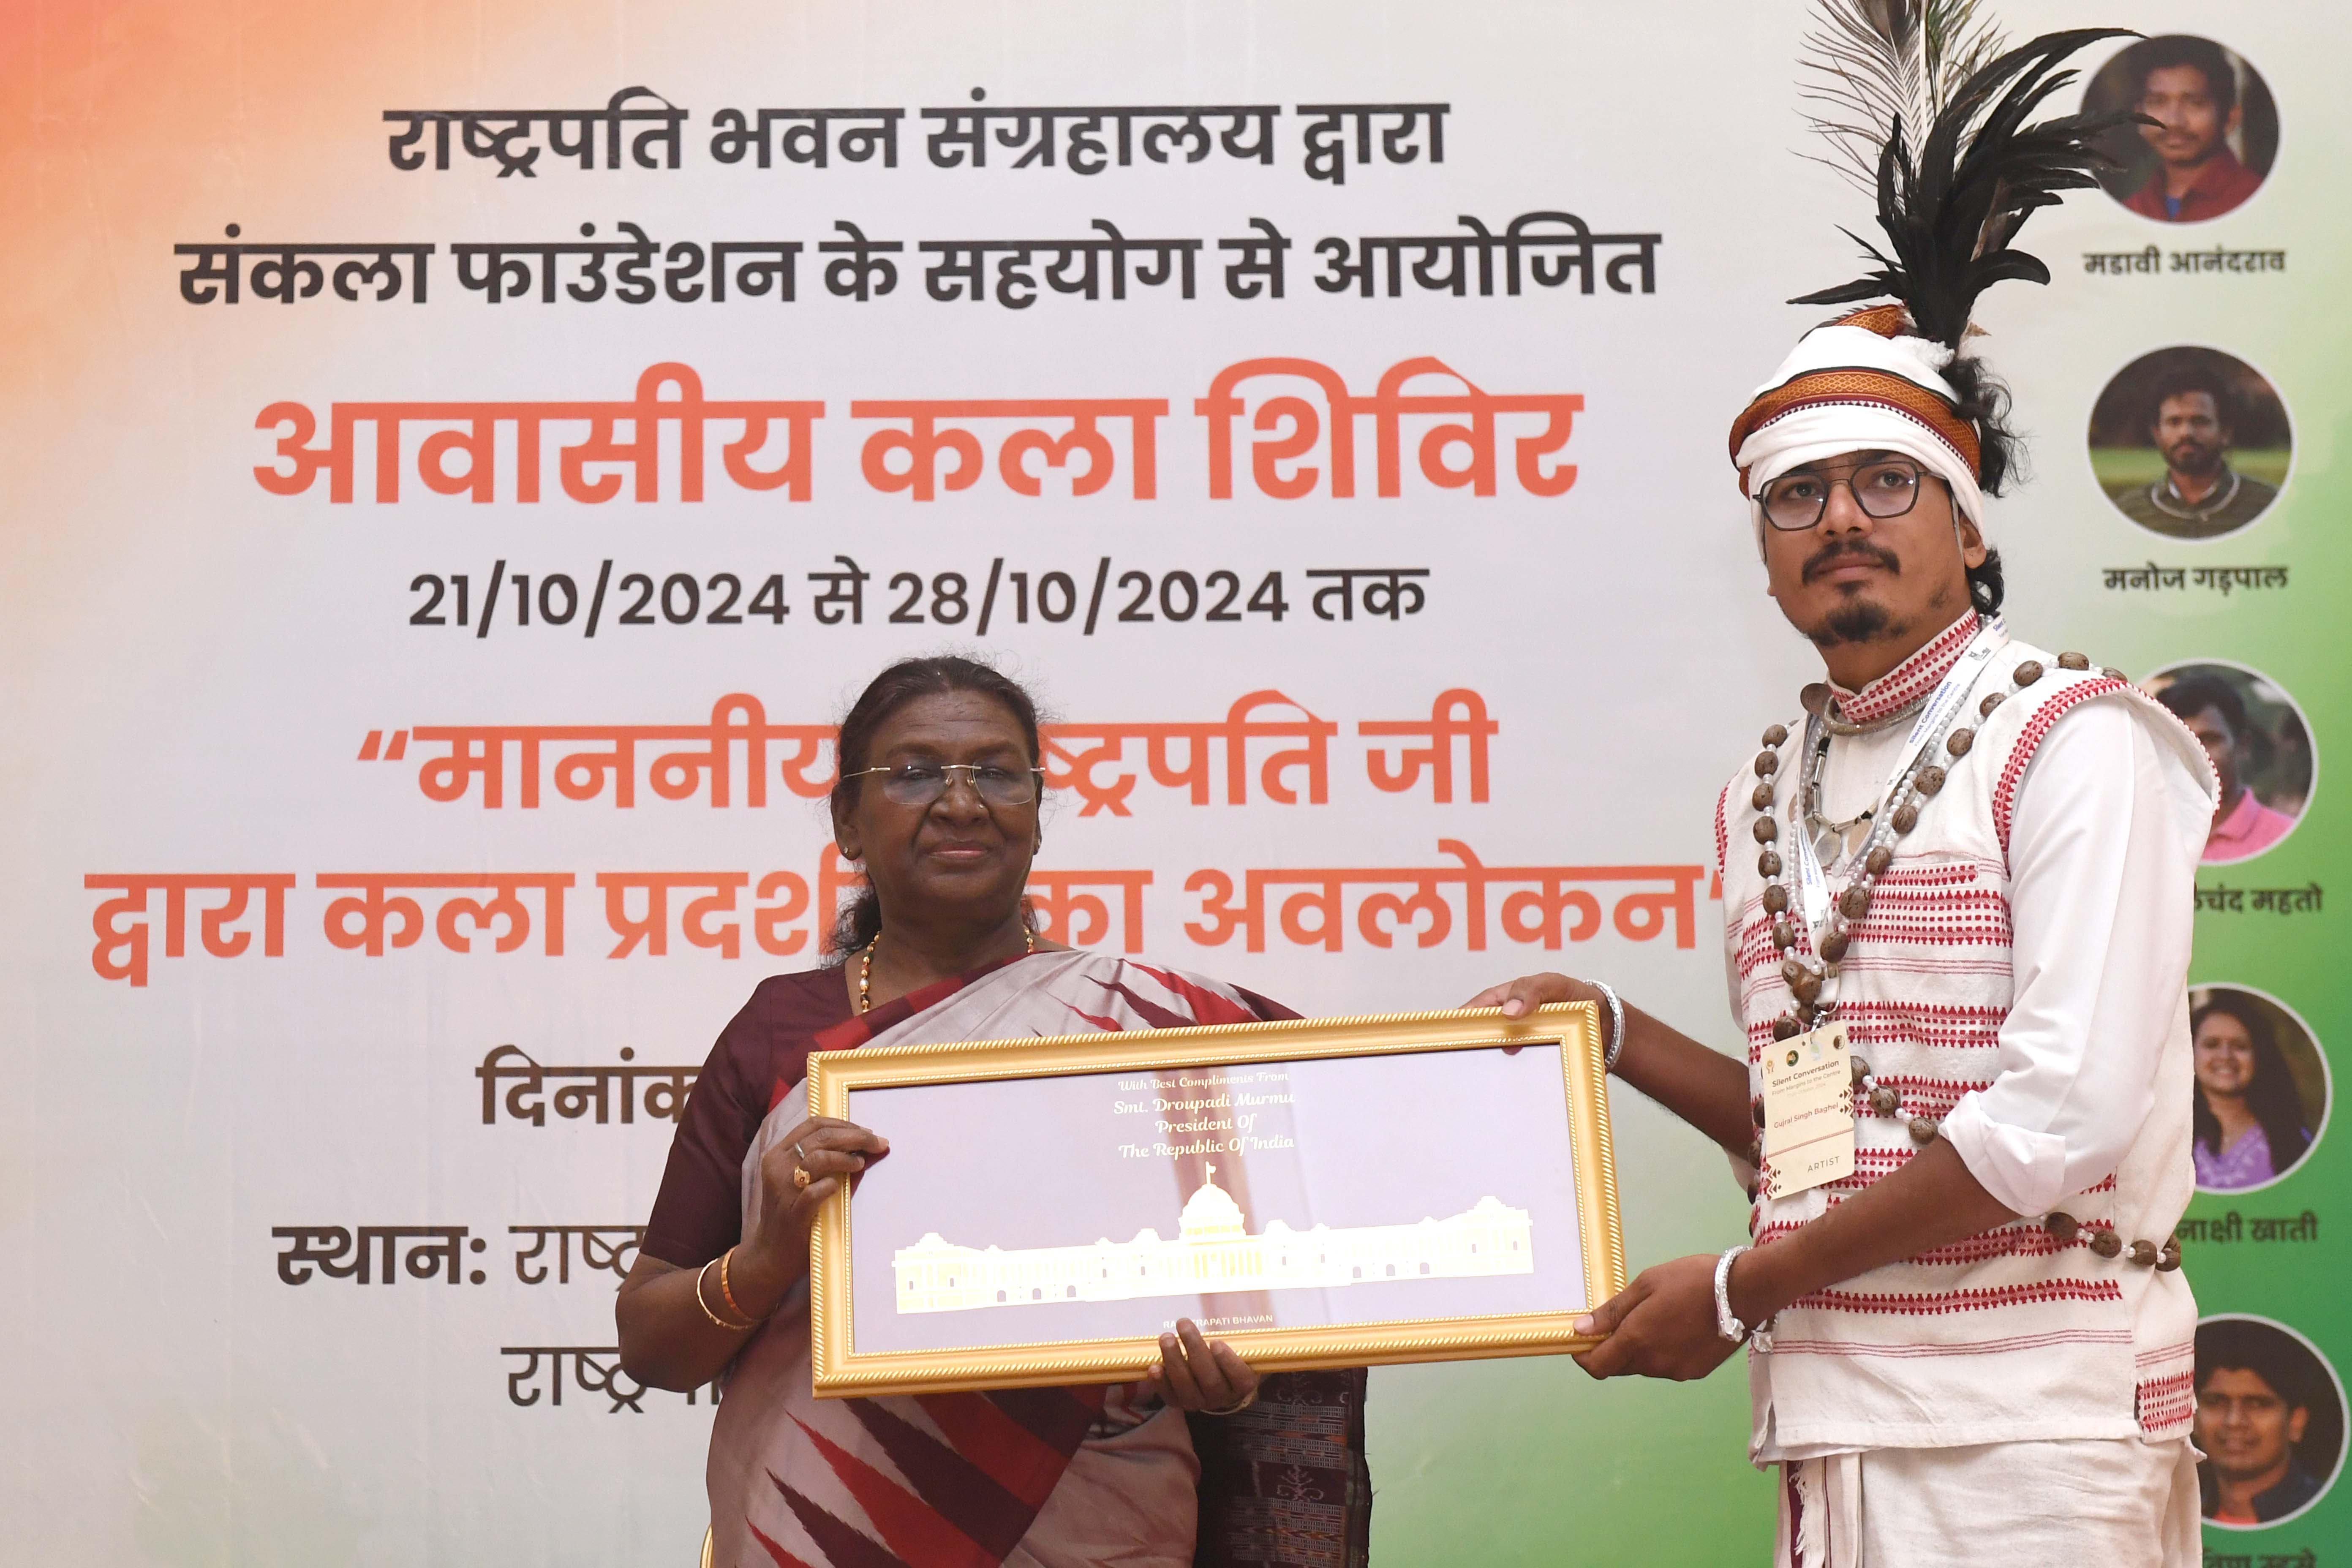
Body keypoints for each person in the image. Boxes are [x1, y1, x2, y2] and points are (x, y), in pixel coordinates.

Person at [1470, 25, 2217, 1567]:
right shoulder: (1768, 787)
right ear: (1762, 553)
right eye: (1795, 495)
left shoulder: (2073, 741)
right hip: (1835, 1421)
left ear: (1968, 526)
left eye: (1886, 482)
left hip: (2033, 1436)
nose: (1838, 521)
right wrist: (1609, 1029)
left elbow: (2055, 1118)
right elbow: (1825, 1134)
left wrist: (1735, 1290)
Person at [615, 656, 1371, 1568]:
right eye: (914, 773)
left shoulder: (1149, 1028)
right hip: (828, 1528)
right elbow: (652, 1345)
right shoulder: (779, 1032)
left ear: (1037, 812)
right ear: (847, 821)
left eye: (998, 773)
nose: (962, 803)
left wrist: (1232, 1374)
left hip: (1105, 1525)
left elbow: (1336, 1190)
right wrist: (767, 1259)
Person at [2112, 366, 2278, 537]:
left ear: (2225, 433)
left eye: (2200, 421)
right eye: (2174, 422)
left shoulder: (2269, 505)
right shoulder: (2128, 512)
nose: (2186, 433)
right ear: (2157, 434)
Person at [2194, 1323, 2328, 1523]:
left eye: (2257, 1404)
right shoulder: (2172, 1514)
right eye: (2216, 1402)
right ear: (2193, 1418)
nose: (2234, 1421)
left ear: (2296, 1422)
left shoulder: (2332, 1515)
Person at [2120, 36, 2263, 222]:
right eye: (2157, 102)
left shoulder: (2255, 200)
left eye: (2195, 103)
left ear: (2230, 118)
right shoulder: (2133, 208)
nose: (2174, 121)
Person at [2155, 674, 2296, 861]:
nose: (2195, 755)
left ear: (2243, 746)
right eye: (2180, 742)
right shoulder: (2145, 838)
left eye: (2209, 740)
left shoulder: (2288, 838)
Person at [2189, 993, 2311, 1190]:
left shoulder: (2293, 1142)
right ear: (2190, 1053)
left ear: (2259, 1056)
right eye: (2212, 1044)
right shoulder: (2169, 1138)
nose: (2225, 1056)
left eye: (2240, 1046)